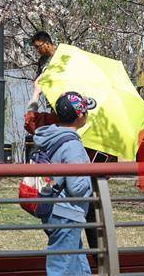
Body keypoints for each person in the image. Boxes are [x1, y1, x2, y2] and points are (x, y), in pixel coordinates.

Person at [33, 91, 95, 276]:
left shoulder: (51, 135)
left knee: (78, 265)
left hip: (54, 209)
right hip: (67, 213)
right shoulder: (72, 145)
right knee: (61, 267)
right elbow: (77, 187)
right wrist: (90, 175)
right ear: (80, 116)